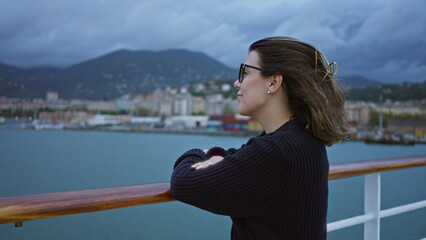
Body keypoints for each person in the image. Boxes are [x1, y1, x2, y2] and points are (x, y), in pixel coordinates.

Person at [170, 36, 348, 240]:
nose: (237, 83)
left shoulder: (279, 151)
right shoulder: (302, 139)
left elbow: (183, 183)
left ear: (273, 82)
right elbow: (246, 159)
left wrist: (199, 154)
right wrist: (219, 156)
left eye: (245, 73)